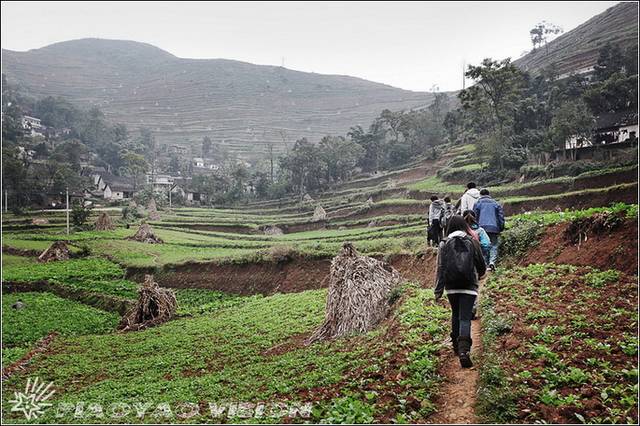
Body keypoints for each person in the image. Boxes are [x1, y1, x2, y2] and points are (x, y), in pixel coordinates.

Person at [434, 215, 487, 368]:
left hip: (451, 286)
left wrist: (438, 291)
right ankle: (464, 352)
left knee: (455, 314)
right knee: (465, 317)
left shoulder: (444, 243)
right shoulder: (471, 241)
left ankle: (456, 347)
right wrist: (479, 275)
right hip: (469, 286)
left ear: (449, 227)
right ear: (464, 226)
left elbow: (440, 268)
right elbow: (481, 263)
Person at [473, 189, 505, 272]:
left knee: (483, 245)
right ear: (489, 194)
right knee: (494, 245)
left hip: (481, 228)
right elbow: (500, 217)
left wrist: (474, 228)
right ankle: (492, 262)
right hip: (494, 228)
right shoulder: (496, 203)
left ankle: (485, 264)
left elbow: (474, 217)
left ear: (480, 195)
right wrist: (501, 227)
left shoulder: (477, 204)